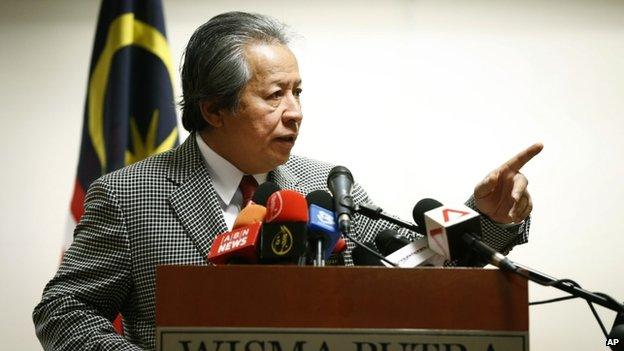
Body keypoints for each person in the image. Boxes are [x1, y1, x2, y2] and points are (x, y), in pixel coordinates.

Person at [33, 11, 542, 351]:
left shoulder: (324, 184)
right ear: (213, 108)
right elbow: (63, 310)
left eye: (299, 92)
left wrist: (485, 218)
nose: (295, 112)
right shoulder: (128, 196)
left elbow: (405, 266)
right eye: (274, 95)